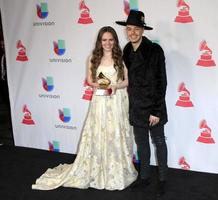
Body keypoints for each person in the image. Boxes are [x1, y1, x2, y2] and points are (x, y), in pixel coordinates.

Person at [32, 26, 137, 190]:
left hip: (117, 101)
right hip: (100, 101)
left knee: (115, 133)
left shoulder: (121, 58)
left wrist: (116, 86)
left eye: (110, 40)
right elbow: (89, 80)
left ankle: (116, 169)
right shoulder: (93, 58)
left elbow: (127, 81)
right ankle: (97, 169)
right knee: (99, 132)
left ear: (115, 41)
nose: (107, 43)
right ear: (100, 42)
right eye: (104, 40)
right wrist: (99, 85)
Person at [116, 10, 168, 196]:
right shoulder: (127, 51)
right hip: (136, 107)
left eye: (137, 29)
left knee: (159, 142)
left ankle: (163, 179)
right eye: (129, 29)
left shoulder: (155, 50)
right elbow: (125, 78)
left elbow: (162, 82)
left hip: (154, 108)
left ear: (142, 30)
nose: (132, 33)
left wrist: (156, 111)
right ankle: (144, 177)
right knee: (142, 145)